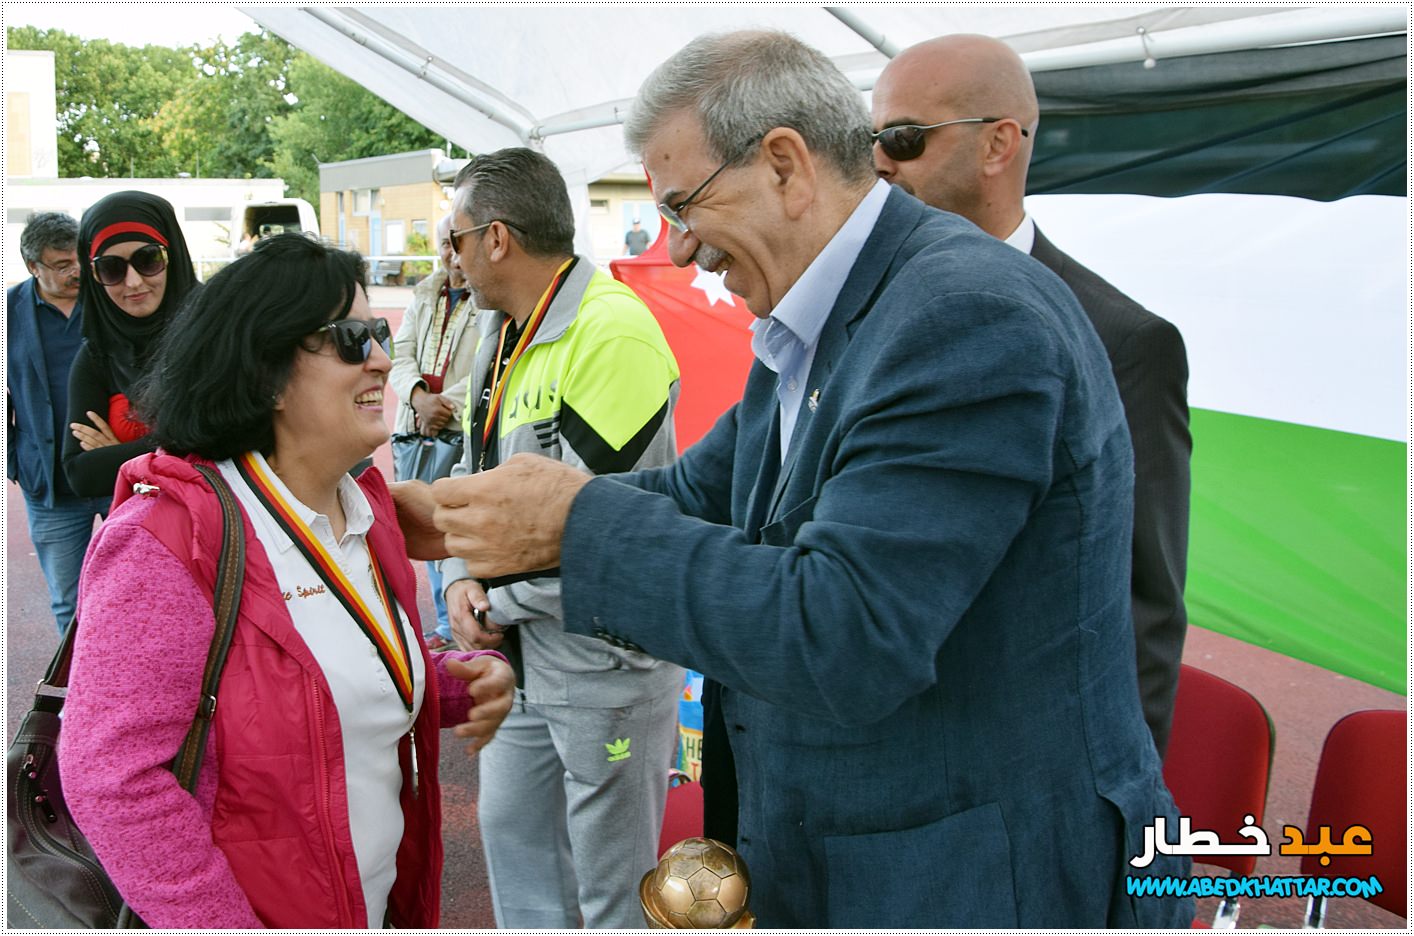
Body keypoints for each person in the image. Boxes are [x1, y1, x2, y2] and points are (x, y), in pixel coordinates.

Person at [407, 31, 1193, 927]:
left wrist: (571, 523)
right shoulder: (823, 315)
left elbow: (849, 629)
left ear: (785, 164)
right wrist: (463, 520)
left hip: (972, 875)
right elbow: (701, 494)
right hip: (872, 851)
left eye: (685, 207)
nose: (675, 251)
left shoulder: (962, 313)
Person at [58, 234, 516, 928]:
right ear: (266, 368)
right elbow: (113, 780)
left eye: (380, 331)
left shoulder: (364, 507)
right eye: (350, 337)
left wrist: (452, 679)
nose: (383, 358)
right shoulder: (169, 540)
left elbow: (326, 678)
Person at [871, 34, 1192, 757]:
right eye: (872, 140)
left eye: (903, 137)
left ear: (998, 145)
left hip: (1035, 774)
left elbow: (1144, 604)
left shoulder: (1125, 340)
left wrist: (1111, 808)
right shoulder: (861, 315)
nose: (880, 161)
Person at [419, 147, 683, 928]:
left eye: (455, 238)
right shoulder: (497, 329)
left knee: (612, 888)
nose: (450, 257)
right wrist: (462, 577)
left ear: (497, 238)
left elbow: (609, 528)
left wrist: (486, 595)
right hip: (516, 650)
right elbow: (471, 474)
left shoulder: (613, 334)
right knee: (516, 846)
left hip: (602, 663)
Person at [7, 212, 111, 633]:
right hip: (50, 486)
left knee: (141, 586)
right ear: (33, 266)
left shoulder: (109, 300)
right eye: (61, 264)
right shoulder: (11, 313)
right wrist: (16, 462)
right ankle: (78, 696)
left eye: (78, 260)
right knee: (69, 603)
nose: (75, 272)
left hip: (115, 470)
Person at [63, 190, 198, 501]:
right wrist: (177, 444)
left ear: (171, 256)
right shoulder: (98, 353)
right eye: (112, 268)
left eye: (148, 259)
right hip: (148, 535)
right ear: (94, 274)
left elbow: (233, 434)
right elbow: (80, 474)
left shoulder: (215, 329)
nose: (134, 282)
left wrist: (122, 456)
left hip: (224, 529)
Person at [389, 214, 480, 651]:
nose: (451, 253)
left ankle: (465, 622)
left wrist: (443, 408)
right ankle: (446, 626)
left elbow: (490, 364)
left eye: (457, 242)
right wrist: (418, 397)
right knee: (423, 527)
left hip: (458, 430)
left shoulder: (489, 297)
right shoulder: (424, 293)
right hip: (413, 428)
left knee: (457, 525)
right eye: (444, 244)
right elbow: (399, 353)